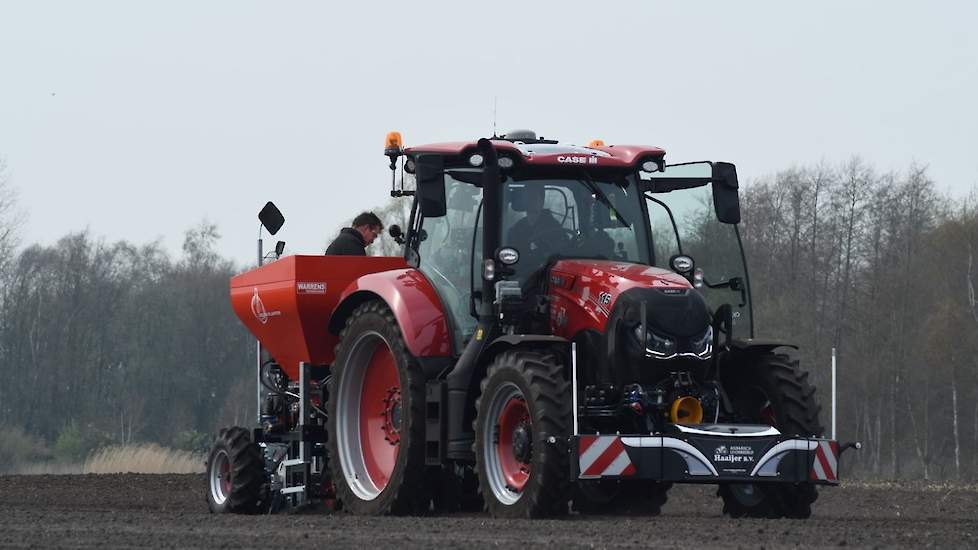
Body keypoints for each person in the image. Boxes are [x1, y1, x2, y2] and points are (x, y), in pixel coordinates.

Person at [506, 184, 568, 261]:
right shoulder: (518, 227)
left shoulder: (554, 227)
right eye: (528, 197)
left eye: (534, 197)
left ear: (542, 201)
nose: (530, 201)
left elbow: (561, 251)